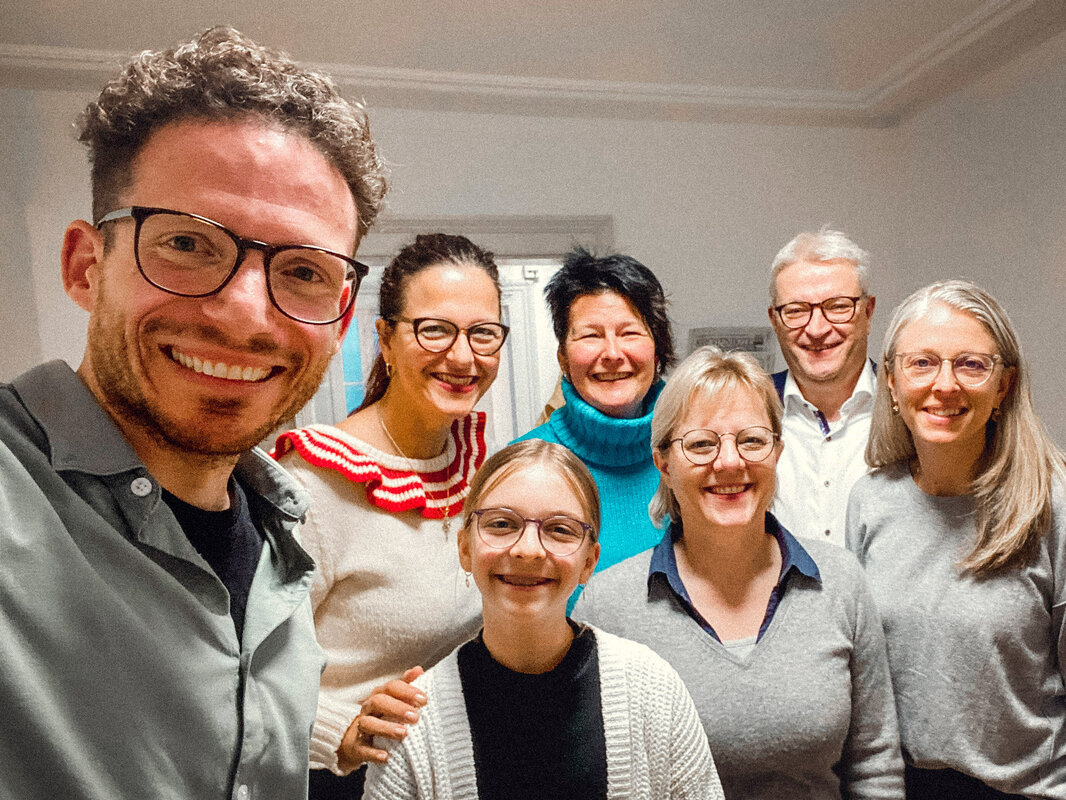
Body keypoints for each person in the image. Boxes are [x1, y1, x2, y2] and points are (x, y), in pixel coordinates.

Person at [0, 27, 387, 800]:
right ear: (86, 265)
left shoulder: (282, 545)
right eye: (186, 243)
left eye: (303, 270)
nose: (245, 317)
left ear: (339, 322)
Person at [576, 346, 903, 799]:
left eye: (751, 440)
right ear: (664, 464)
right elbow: (595, 774)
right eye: (702, 443)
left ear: (777, 451)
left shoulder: (840, 583)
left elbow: (874, 766)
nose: (729, 462)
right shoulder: (611, 606)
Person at [274, 233, 505, 798]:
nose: (462, 356)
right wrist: (338, 732)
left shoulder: (476, 462)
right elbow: (249, 670)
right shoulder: (312, 483)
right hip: (345, 780)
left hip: (450, 770)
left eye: (483, 333)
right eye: (434, 330)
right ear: (385, 339)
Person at [363, 439, 724, 800]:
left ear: (588, 562)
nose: (528, 550)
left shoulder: (653, 691)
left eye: (560, 529)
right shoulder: (413, 722)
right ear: (465, 549)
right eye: (502, 524)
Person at [846, 280, 1066, 799]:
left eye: (970, 364)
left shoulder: (1051, 504)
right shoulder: (871, 500)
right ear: (893, 383)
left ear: (1003, 386)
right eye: (922, 363)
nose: (944, 385)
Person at [514, 246, 675, 576]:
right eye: (591, 335)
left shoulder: (698, 453)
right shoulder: (522, 464)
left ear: (658, 349)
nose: (613, 353)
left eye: (629, 332)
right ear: (563, 356)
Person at [767, 228, 877, 545]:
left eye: (838, 306)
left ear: (868, 313)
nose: (817, 329)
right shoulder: (747, 414)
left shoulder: (911, 414)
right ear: (774, 320)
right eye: (797, 310)